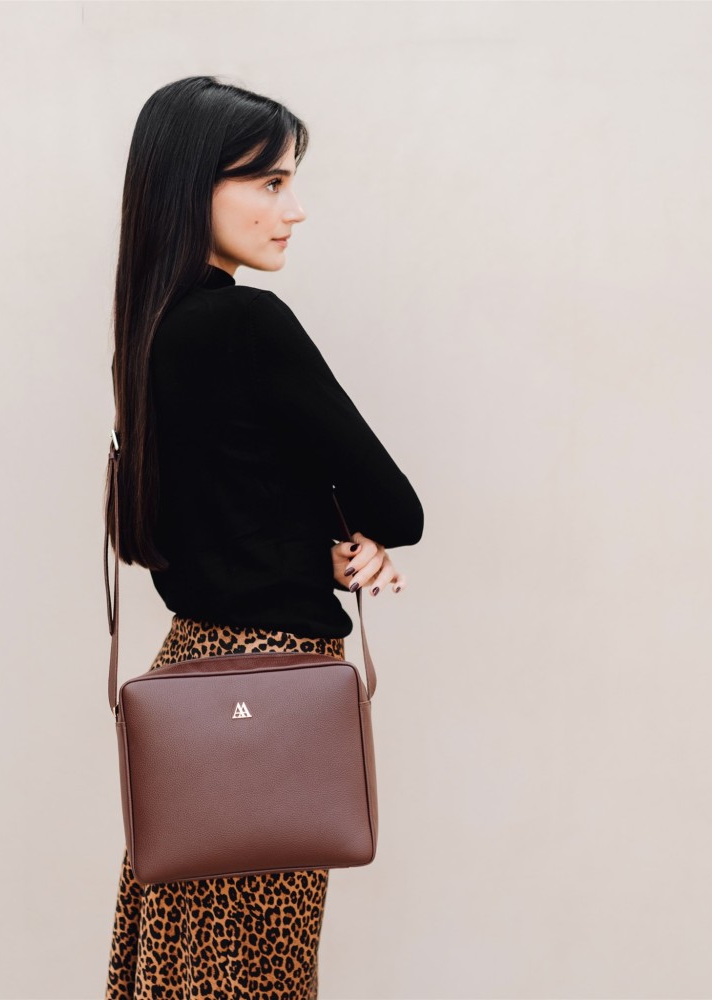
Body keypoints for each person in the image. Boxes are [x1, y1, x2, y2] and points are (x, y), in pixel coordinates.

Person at [104, 75, 424, 1000]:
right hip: (274, 698)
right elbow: (397, 507)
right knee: (254, 970)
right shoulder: (247, 322)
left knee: (183, 963)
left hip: (189, 682)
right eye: (270, 183)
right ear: (193, 187)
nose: (294, 209)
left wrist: (316, 539)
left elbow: (210, 520)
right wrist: (350, 529)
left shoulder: (147, 336)